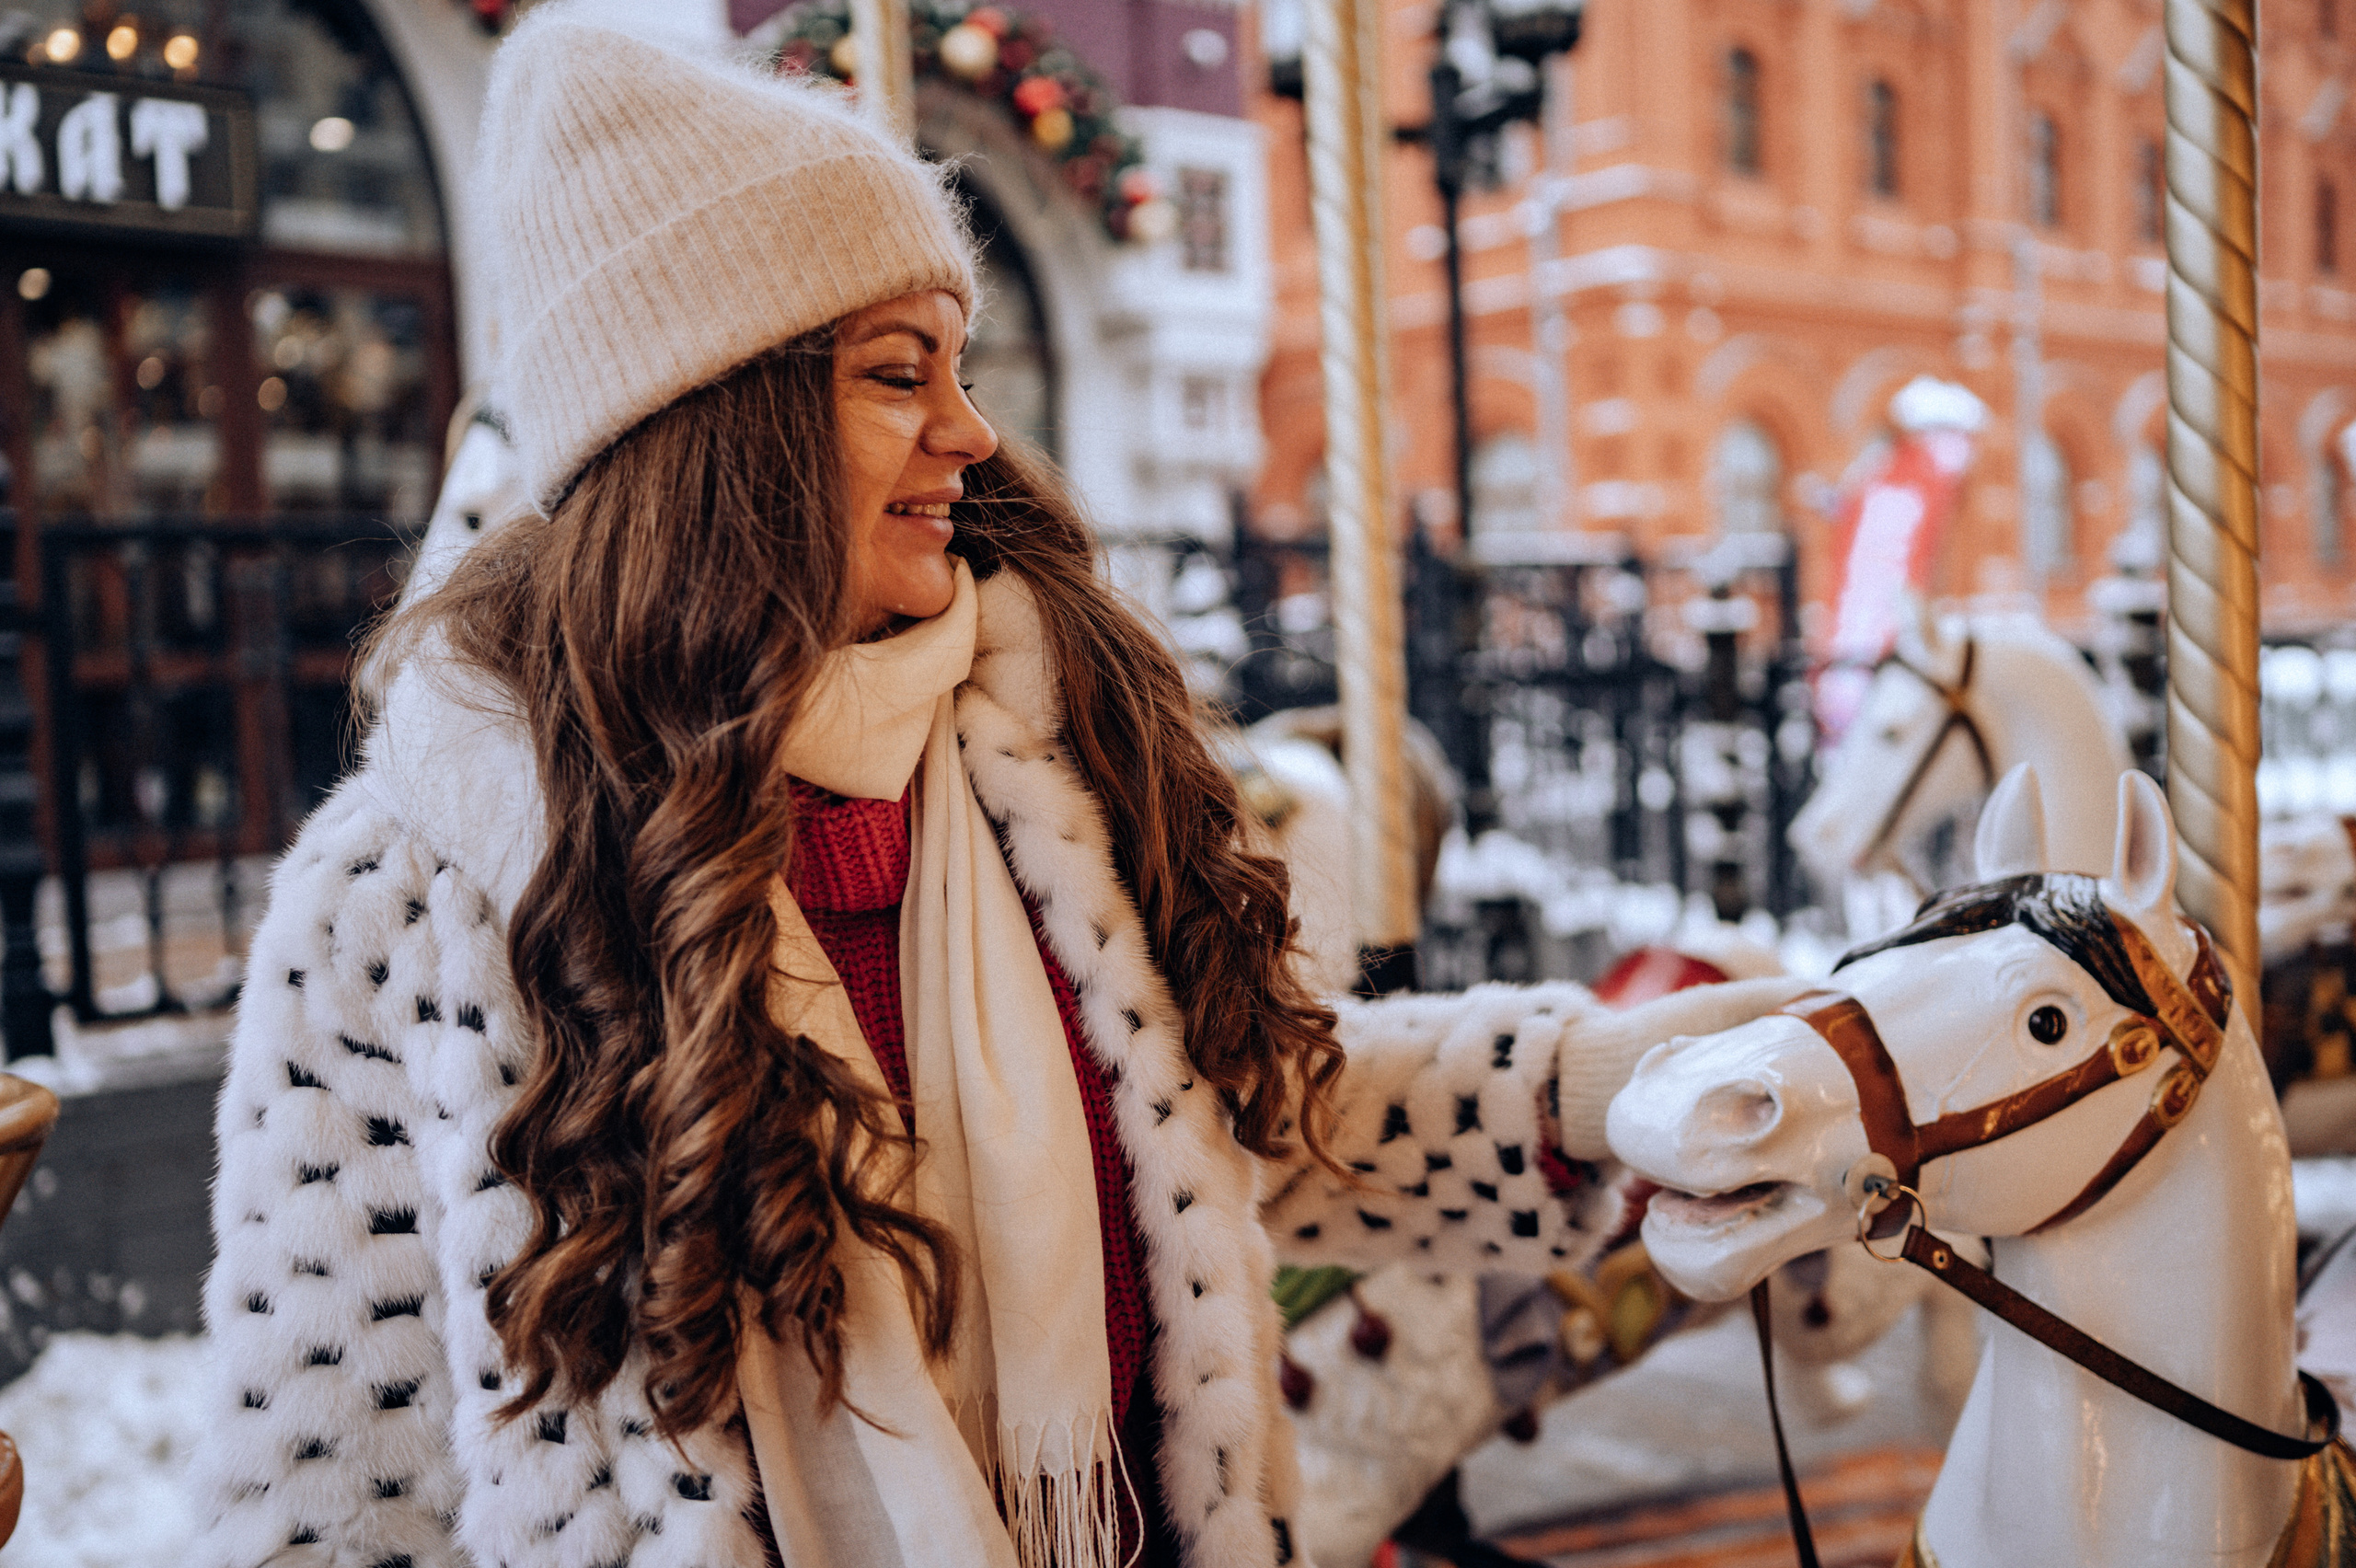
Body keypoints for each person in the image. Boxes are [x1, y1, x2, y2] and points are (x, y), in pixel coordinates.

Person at [192, 12, 1804, 1568]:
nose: (969, 433)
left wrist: (1629, 1078)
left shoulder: (1036, 757)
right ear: (719, 429)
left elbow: (1269, 1122)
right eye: (901, 375)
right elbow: (333, 1504)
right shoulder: (412, 900)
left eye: (960, 368)